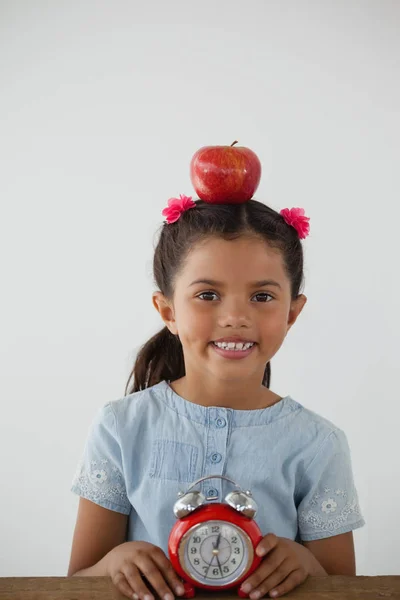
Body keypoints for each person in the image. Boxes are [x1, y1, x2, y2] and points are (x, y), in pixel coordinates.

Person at [68, 195, 365, 600]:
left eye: (262, 297)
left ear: (292, 314)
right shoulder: (120, 427)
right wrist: (113, 565)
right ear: (168, 310)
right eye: (208, 295)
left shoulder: (319, 444)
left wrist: (306, 566)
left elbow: (345, 591)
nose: (235, 317)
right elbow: (76, 583)